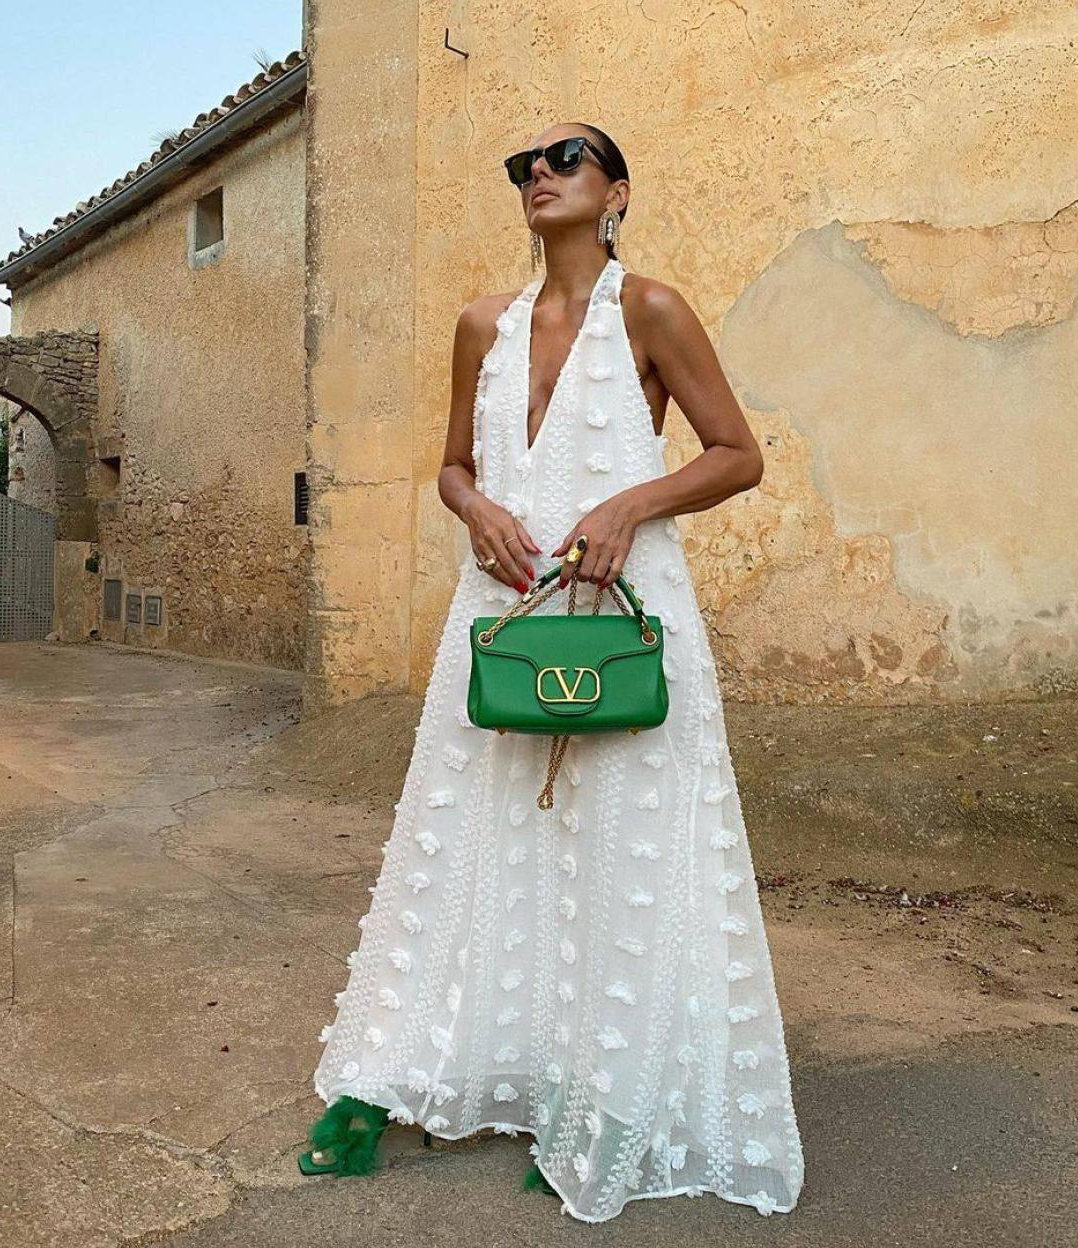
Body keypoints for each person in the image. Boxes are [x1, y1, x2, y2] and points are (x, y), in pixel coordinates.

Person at [299, 122, 804, 1223]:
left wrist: (629, 501)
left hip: (620, 605)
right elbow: (451, 464)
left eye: (565, 158)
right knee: (466, 833)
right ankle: (388, 1071)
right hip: (502, 606)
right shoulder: (482, 323)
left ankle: (604, 1094)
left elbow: (737, 453)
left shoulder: (654, 312)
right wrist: (474, 506)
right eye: (523, 165)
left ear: (616, 189)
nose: (538, 174)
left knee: (620, 845)